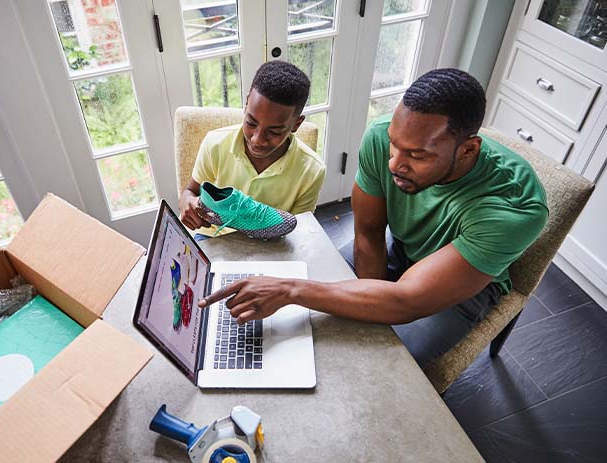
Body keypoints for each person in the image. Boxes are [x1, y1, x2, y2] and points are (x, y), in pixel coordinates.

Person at [197, 68, 549, 368]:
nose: (395, 162)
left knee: (387, 365)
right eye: (395, 145)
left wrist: (291, 291)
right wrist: (367, 307)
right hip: (400, 248)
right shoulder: (381, 137)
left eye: (417, 155)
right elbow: (367, 232)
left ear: (468, 149)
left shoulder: (514, 208)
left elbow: (408, 300)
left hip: (463, 287)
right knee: (310, 324)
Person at [178, 61, 326, 232]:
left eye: (274, 132)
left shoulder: (312, 171)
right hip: (213, 239)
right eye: (251, 122)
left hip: (271, 247)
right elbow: (190, 191)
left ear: (296, 124)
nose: (257, 140)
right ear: (247, 102)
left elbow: (299, 233)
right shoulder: (215, 144)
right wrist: (187, 202)